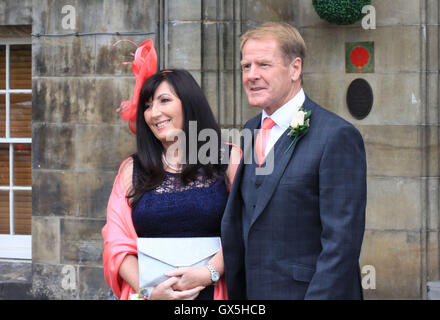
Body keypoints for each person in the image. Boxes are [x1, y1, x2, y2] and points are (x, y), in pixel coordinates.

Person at [221, 22, 367, 299]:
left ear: (295, 68)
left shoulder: (337, 136)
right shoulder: (249, 130)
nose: (251, 75)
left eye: (264, 65)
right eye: (246, 66)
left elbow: (341, 244)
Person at [102, 69, 240, 300]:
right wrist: (149, 293)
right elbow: (116, 241)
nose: (154, 113)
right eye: (146, 106)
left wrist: (209, 272)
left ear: (189, 103)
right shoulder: (131, 168)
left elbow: (246, 226)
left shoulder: (228, 158)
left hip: (214, 293)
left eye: (164, 100)